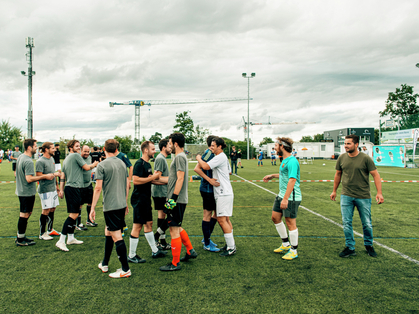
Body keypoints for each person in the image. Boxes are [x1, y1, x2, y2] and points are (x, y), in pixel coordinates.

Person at [330, 135, 384, 258]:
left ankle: (369, 245)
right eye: (345, 143)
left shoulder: (365, 159)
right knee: (346, 222)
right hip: (346, 196)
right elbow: (338, 174)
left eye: (348, 143)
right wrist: (334, 191)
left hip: (363, 196)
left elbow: (375, 175)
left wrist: (379, 193)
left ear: (356, 144)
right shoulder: (342, 158)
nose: (345, 146)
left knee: (366, 223)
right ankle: (350, 247)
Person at [89, 139, 131, 278]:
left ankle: (125, 269)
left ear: (104, 149)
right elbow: (126, 185)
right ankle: (105, 263)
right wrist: (125, 202)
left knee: (116, 235)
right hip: (120, 204)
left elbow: (98, 187)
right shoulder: (122, 163)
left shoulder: (102, 165)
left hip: (111, 206)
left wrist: (92, 208)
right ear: (116, 148)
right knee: (109, 231)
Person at [159, 132, 197, 271]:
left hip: (176, 199)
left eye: (170, 143)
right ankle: (190, 251)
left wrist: (172, 201)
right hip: (177, 199)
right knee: (177, 226)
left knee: (173, 230)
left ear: (175, 144)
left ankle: (175, 263)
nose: (169, 146)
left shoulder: (180, 157)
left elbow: (180, 179)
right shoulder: (180, 157)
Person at [55, 140, 98, 252]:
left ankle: (71, 238)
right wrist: (95, 164)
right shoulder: (75, 156)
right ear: (71, 147)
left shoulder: (66, 159)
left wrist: (61, 189)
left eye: (79, 146)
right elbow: (87, 168)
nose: (79, 148)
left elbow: (63, 176)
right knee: (73, 215)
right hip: (74, 188)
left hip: (70, 188)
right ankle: (61, 241)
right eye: (77, 146)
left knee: (75, 213)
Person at [197, 136, 236, 257]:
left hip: (223, 192)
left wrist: (198, 157)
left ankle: (231, 247)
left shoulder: (220, 157)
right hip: (224, 192)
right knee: (226, 219)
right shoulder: (223, 157)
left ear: (219, 146)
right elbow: (228, 171)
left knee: (221, 220)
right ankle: (230, 244)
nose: (211, 148)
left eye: (213, 146)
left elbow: (205, 167)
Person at [128, 141, 167, 263]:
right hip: (139, 199)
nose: (154, 151)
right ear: (146, 150)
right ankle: (131, 255)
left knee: (149, 223)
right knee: (137, 226)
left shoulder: (148, 164)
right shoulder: (139, 164)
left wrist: (166, 181)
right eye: (153, 149)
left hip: (146, 199)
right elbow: (136, 180)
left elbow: (149, 180)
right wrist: (153, 177)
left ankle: (155, 251)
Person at [263, 137, 301, 260]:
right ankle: (285, 244)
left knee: (290, 223)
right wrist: (273, 175)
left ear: (282, 146)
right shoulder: (284, 160)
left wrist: (285, 199)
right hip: (282, 195)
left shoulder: (292, 161)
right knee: (275, 217)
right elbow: (285, 174)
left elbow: (292, 179)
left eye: (275, 145)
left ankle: (294, 251)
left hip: (290, 197)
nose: (274, 148)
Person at [15, 139, 56, 246]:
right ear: (29, 147)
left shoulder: (21, 157)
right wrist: (45, 176)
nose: (36, 148)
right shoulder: (28, 161)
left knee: (26, 213)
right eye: (34, 146)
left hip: (22, 191)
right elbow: (29, 179)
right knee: (24, 215)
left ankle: (21, 236)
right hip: (26, 192)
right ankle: (20, 240)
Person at [194, 135, 220, 252]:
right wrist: (209, 180)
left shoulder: (213, 153)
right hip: (207, 189)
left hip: (212, 189)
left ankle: (207, 239)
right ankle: (206, 242)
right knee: (207, 215)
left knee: (216, 214)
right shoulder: (209, 153)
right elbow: (197, 168)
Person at [36, 142, 61, 240]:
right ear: (46, 149)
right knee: (45, 210)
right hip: (45, 190)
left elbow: (53, 173)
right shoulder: (40, 161)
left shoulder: (52, 159)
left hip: (53, 189)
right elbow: (38, 176)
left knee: (53, 208)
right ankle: (42, 233)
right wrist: (50, 176)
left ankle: (50, 230)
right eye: (52, 148)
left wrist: (57, 187)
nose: (54, 150)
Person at [153, 139, 171, 250]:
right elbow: (157, 176)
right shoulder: (160, 158)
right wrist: (171, 180)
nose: (171, 147)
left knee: (162, 215)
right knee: (171, 215)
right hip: (161, 192)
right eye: (169, 145)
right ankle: (157, 237)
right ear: (164, 147)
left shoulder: (162, 158)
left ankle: (162, 241)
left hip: (162, 191)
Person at [115, 142, 133, 236]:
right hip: (115, 183)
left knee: (121, 203)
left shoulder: (122, 156)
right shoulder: (110, 156)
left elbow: (131, 166)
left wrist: (129, 180)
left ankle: (121, 226)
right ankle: (123, 224)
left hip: (122, 182)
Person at [78, 145, 97, 229]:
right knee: (80, 204)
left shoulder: (89, 157)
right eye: (85, 151)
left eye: (88, 151)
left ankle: (89, 220)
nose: (86, 153)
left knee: (90, 202)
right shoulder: (78, 158)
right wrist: (94, 165)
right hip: (80, 185)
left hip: (88, 183)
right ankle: (78, 223)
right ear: (81, 151)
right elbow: (86, 168)